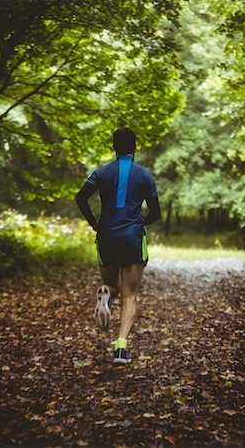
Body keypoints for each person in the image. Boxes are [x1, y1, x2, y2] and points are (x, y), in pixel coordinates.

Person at [76, 127, 160, 365]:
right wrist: (139, 222)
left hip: (107, 236)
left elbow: (81, 197)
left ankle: (105, 297)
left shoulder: (102, 172)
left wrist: (94, 222)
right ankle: (121, 349)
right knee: (130, 294)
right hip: (132, 236)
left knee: (111, 285)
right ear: (135, 147)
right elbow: (155, 212)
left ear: (114, 146)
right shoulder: (144, 175)